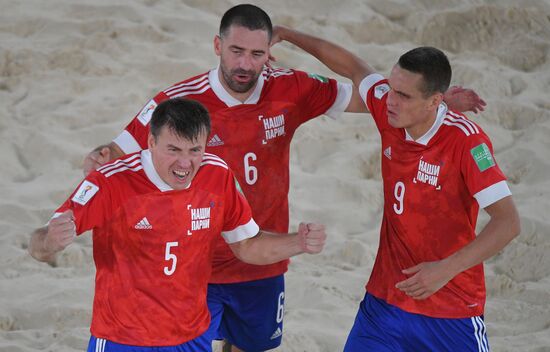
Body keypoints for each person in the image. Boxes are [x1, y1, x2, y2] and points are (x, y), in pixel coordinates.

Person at [82, 5, 486, 351]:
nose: (245, 64)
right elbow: (112, 159)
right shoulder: (180, 102)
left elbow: (371, 99)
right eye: (236, 51)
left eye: (256, 53)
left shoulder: (291, 88)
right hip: (193, 264)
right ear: (218, 46)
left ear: (268, 54)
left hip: (262, 257)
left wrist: (434, 105)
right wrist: (98, 160)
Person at [272, 26, 521, 351]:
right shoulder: (389, 111)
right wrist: (287, 33)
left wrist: (444, 270)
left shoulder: (466, 141)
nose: (389, 101)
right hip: (385, 303)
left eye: (403, 96)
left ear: (435, 101)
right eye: (391, 89)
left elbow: (508, 223)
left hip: (450, 309)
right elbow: (352, 66)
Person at [28, 98, 326, 352]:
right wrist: (51, 241)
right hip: (123, 337)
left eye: (194, 150)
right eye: (173, 150)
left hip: (190, 337)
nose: (185, 164)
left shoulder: (217, 176)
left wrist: (297, 243)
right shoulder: (110, 182)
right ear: (151, 142)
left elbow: (247, 245)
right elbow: (38, 246)